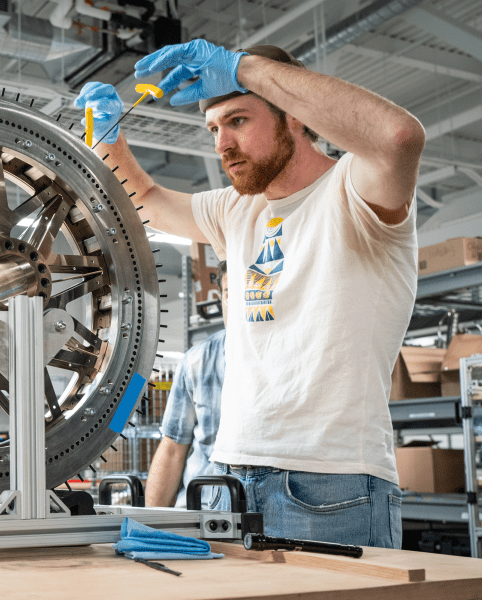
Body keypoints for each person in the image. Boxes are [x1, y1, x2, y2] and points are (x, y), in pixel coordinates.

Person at [76, 41, 424, 548]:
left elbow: (399, 136)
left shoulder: (354, 189)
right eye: (214, 128)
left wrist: (244, 68)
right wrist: (109, 140)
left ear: (296, 118)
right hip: (229, 477)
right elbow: (144, 201)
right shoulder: (239, 210)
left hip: (331, 482)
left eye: (238, 120)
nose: (221, 144)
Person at [146, 261, 228, 509]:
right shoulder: (197, 360)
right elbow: (172, 448)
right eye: (228, 293)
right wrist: (150, 528)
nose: (235, 304)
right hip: (201, 509)